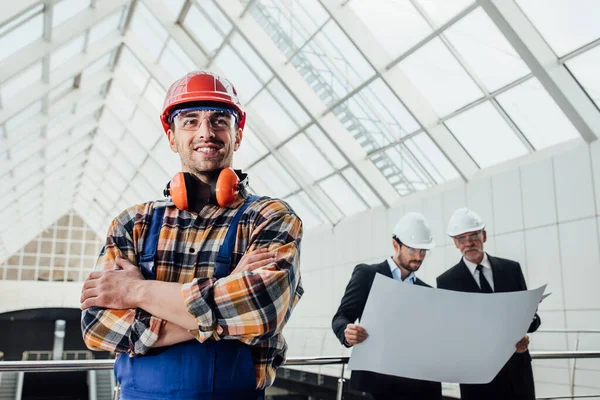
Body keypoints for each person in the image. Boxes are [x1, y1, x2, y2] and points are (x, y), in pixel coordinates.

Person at [80, 71, 303, 400]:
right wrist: (228, 297)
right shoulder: (133, 223)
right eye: (190, 121)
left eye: (219, 121)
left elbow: (262, 308)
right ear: (172, 137)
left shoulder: (269, 218)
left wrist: (136, 291)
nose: (206, 132)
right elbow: (98, 328)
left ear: (237, 135)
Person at [331, 212, 442, 400]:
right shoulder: (367, 275)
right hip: (378, 385)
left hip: (418, 385)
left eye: (423, 251)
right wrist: (347, 332)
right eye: (413, 249)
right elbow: (341, 317)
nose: (419, 256)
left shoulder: (427, 291)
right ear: (395, 244)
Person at [436, 207, 541, 400]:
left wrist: (524, 333)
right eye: (461, 238)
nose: (469, 243)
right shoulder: (446, 282)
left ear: (484, 236)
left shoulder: (511, 269)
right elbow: (449, 331)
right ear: (455, 243)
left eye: (474, 235)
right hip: (476, 375)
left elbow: (532, 318)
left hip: (517, 370)